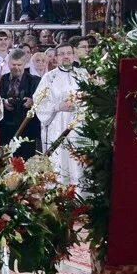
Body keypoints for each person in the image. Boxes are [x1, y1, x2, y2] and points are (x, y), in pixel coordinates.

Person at [34, 42, 84, 186]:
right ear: (55, 58)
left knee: (79, 163)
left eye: (69, 53)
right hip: (57, 129)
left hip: (79, 128)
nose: (66, 56)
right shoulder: (49, 78)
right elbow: (38, 102)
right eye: (62, 54)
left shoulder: (83, 74)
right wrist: (57, 106)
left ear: (73, 55)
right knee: (58, 163)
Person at [0, 48, 39, 153]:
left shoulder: (35, 81)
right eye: (13, 65)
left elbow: (43, 101)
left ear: (25, 64)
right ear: (8, 63)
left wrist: (33, 101)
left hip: (27, 129)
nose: (16, 68)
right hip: (5, 130)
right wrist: (3, 102)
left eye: (19, 65)